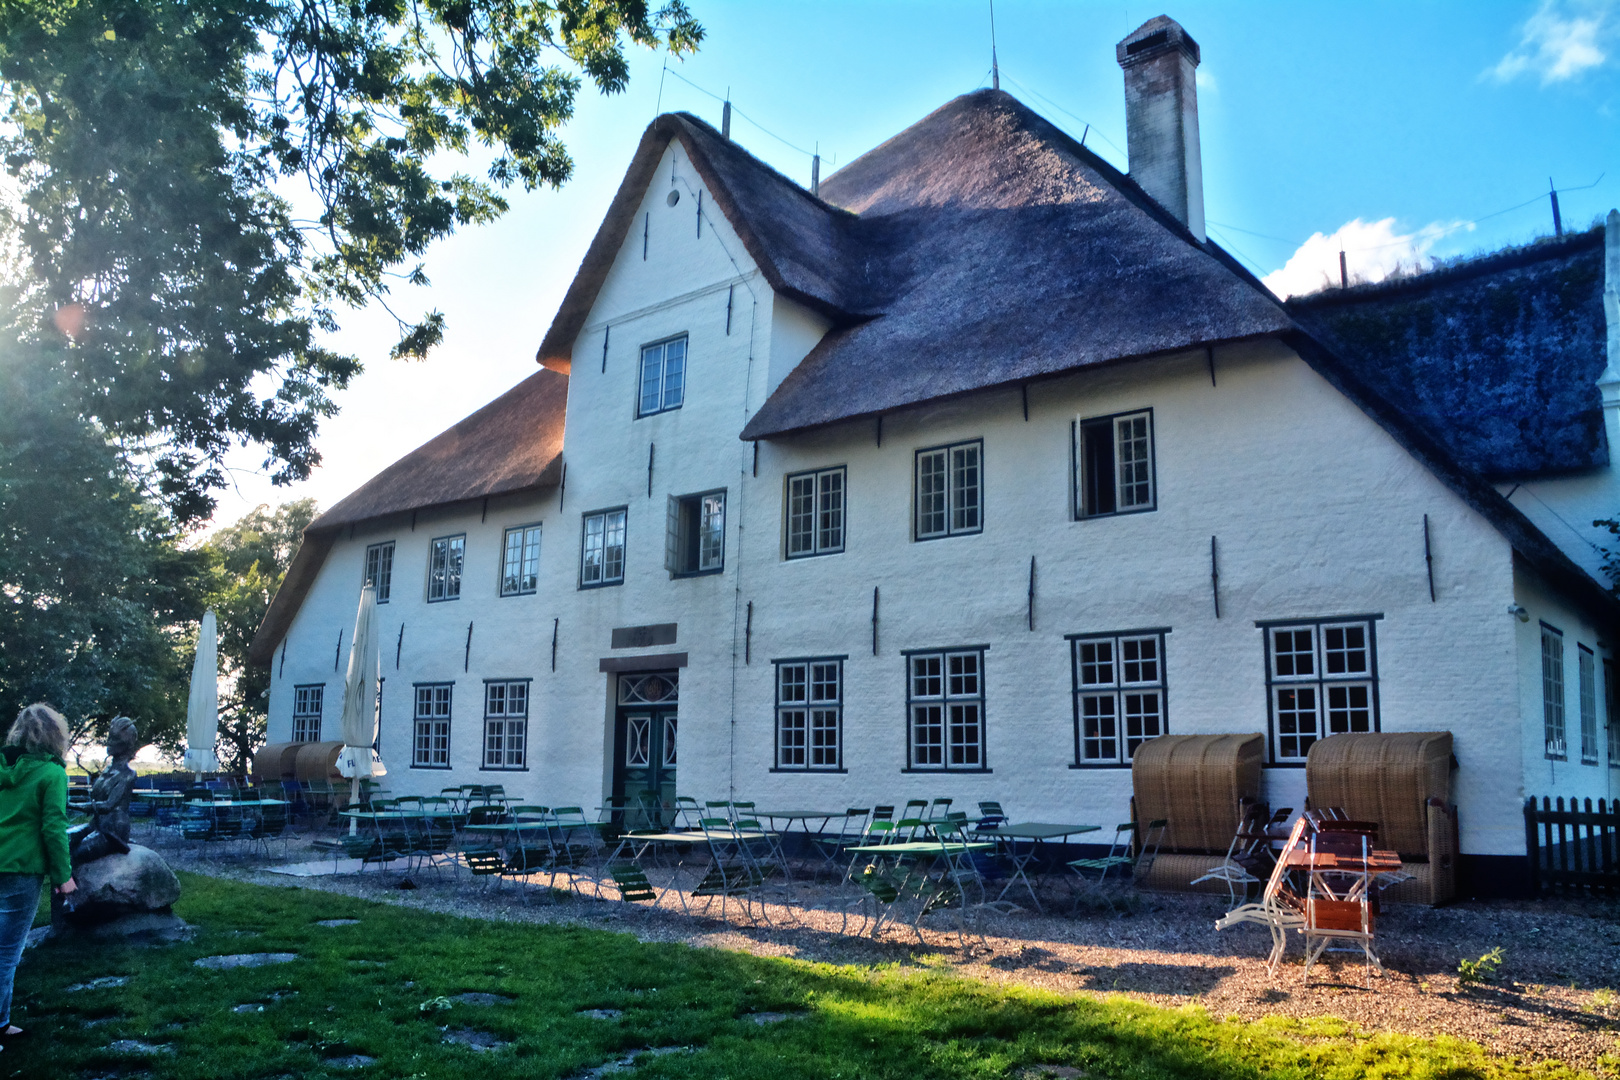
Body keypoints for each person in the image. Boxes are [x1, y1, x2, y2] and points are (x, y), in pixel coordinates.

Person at [0, 704, 75, 1046]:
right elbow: (54, 828)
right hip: (21, 871)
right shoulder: (52, 775)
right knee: (5, 954)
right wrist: (64, 876)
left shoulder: (3, 769)